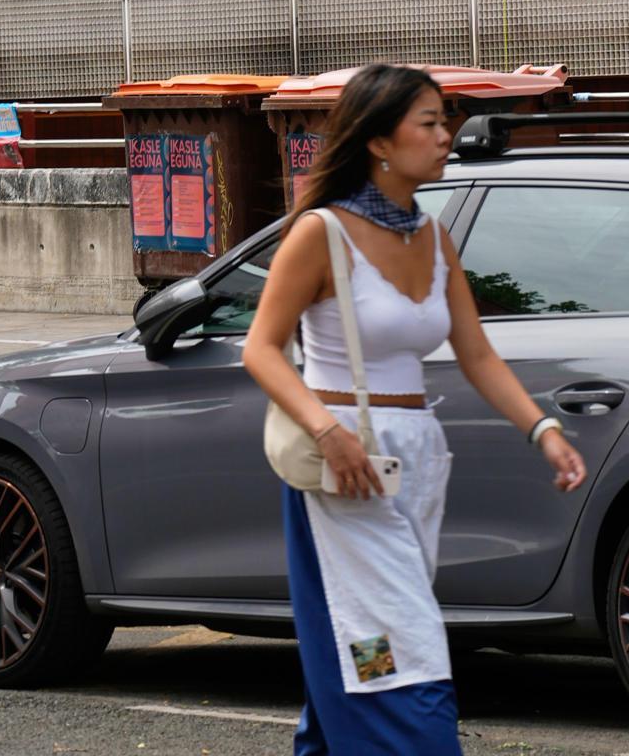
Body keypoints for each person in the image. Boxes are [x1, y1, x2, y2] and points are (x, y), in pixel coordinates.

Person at [243, 64, 586, 755]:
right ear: (378, 141)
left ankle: (333, 740)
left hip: (416, 460)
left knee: (363, 637)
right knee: (403, 643)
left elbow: (478, 355)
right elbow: (262, 349)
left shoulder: (433, 236)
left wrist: (544, 429)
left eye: (443, 121)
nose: (444, 135)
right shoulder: (321, 233)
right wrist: (327, 429)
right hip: (345, 463)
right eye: (428, 123)